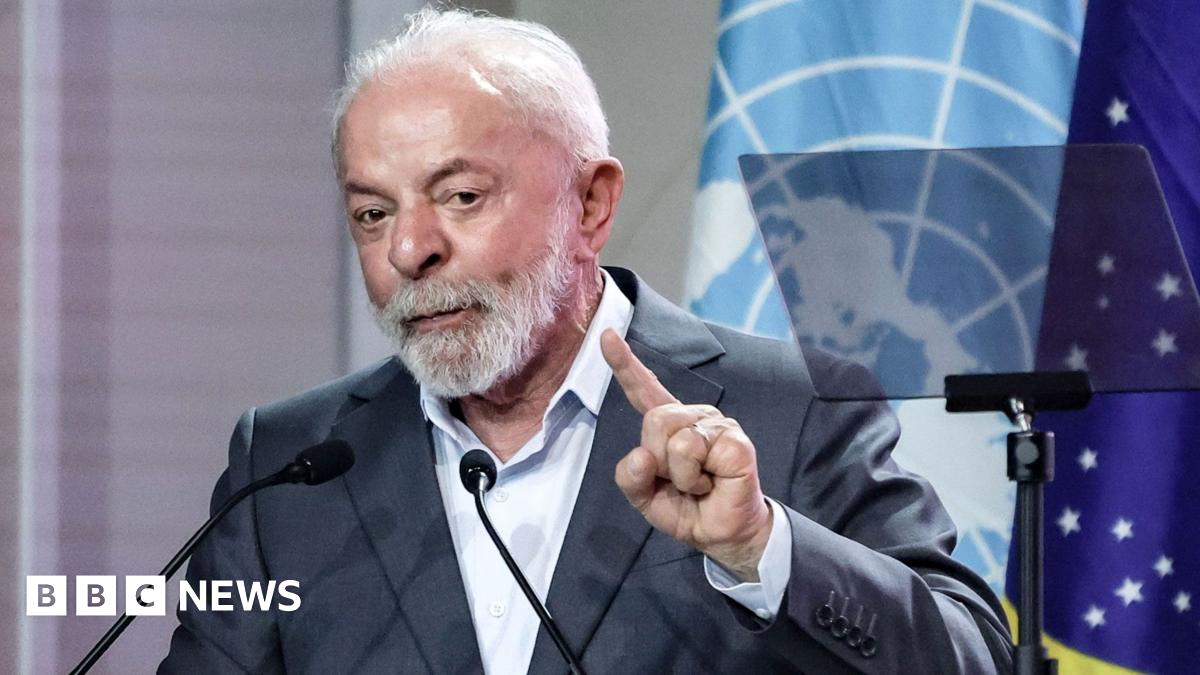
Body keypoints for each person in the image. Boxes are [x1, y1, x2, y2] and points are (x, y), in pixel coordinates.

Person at [161, 8, 1012, 674]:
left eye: (459, 196)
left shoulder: (790, 408)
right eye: (373, 213)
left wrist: (761, 545)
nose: (409, 250)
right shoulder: (288, 463)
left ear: (591, 205)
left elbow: (972, 658)